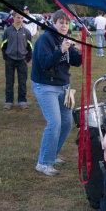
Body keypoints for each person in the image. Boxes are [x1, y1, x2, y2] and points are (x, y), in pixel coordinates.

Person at [31, 9, 82, 176]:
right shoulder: (45, 40)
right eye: (61, 23)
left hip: (64, 87)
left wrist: (78, 51)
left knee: (67, 123)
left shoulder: (66, 39)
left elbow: (75, 63)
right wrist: (60, 50)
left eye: (67, 23)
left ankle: (52, 155)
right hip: (46, 87)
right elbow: (45, 63)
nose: (64, 26)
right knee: (54, 123)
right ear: (53, 23)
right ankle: (44, 163)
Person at [1, 11, 32, 110]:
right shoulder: (8, 31)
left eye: (22, 18)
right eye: (18, 18)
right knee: (9, 82)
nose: (20, 20)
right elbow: (3, 45)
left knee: (22, 82)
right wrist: (6, 56)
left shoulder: (26, 32)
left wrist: (27, 57)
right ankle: (8, 102)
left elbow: (30, 46)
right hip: (10, 60)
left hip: (22, 60)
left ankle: (22, 102)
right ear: (13, 18)